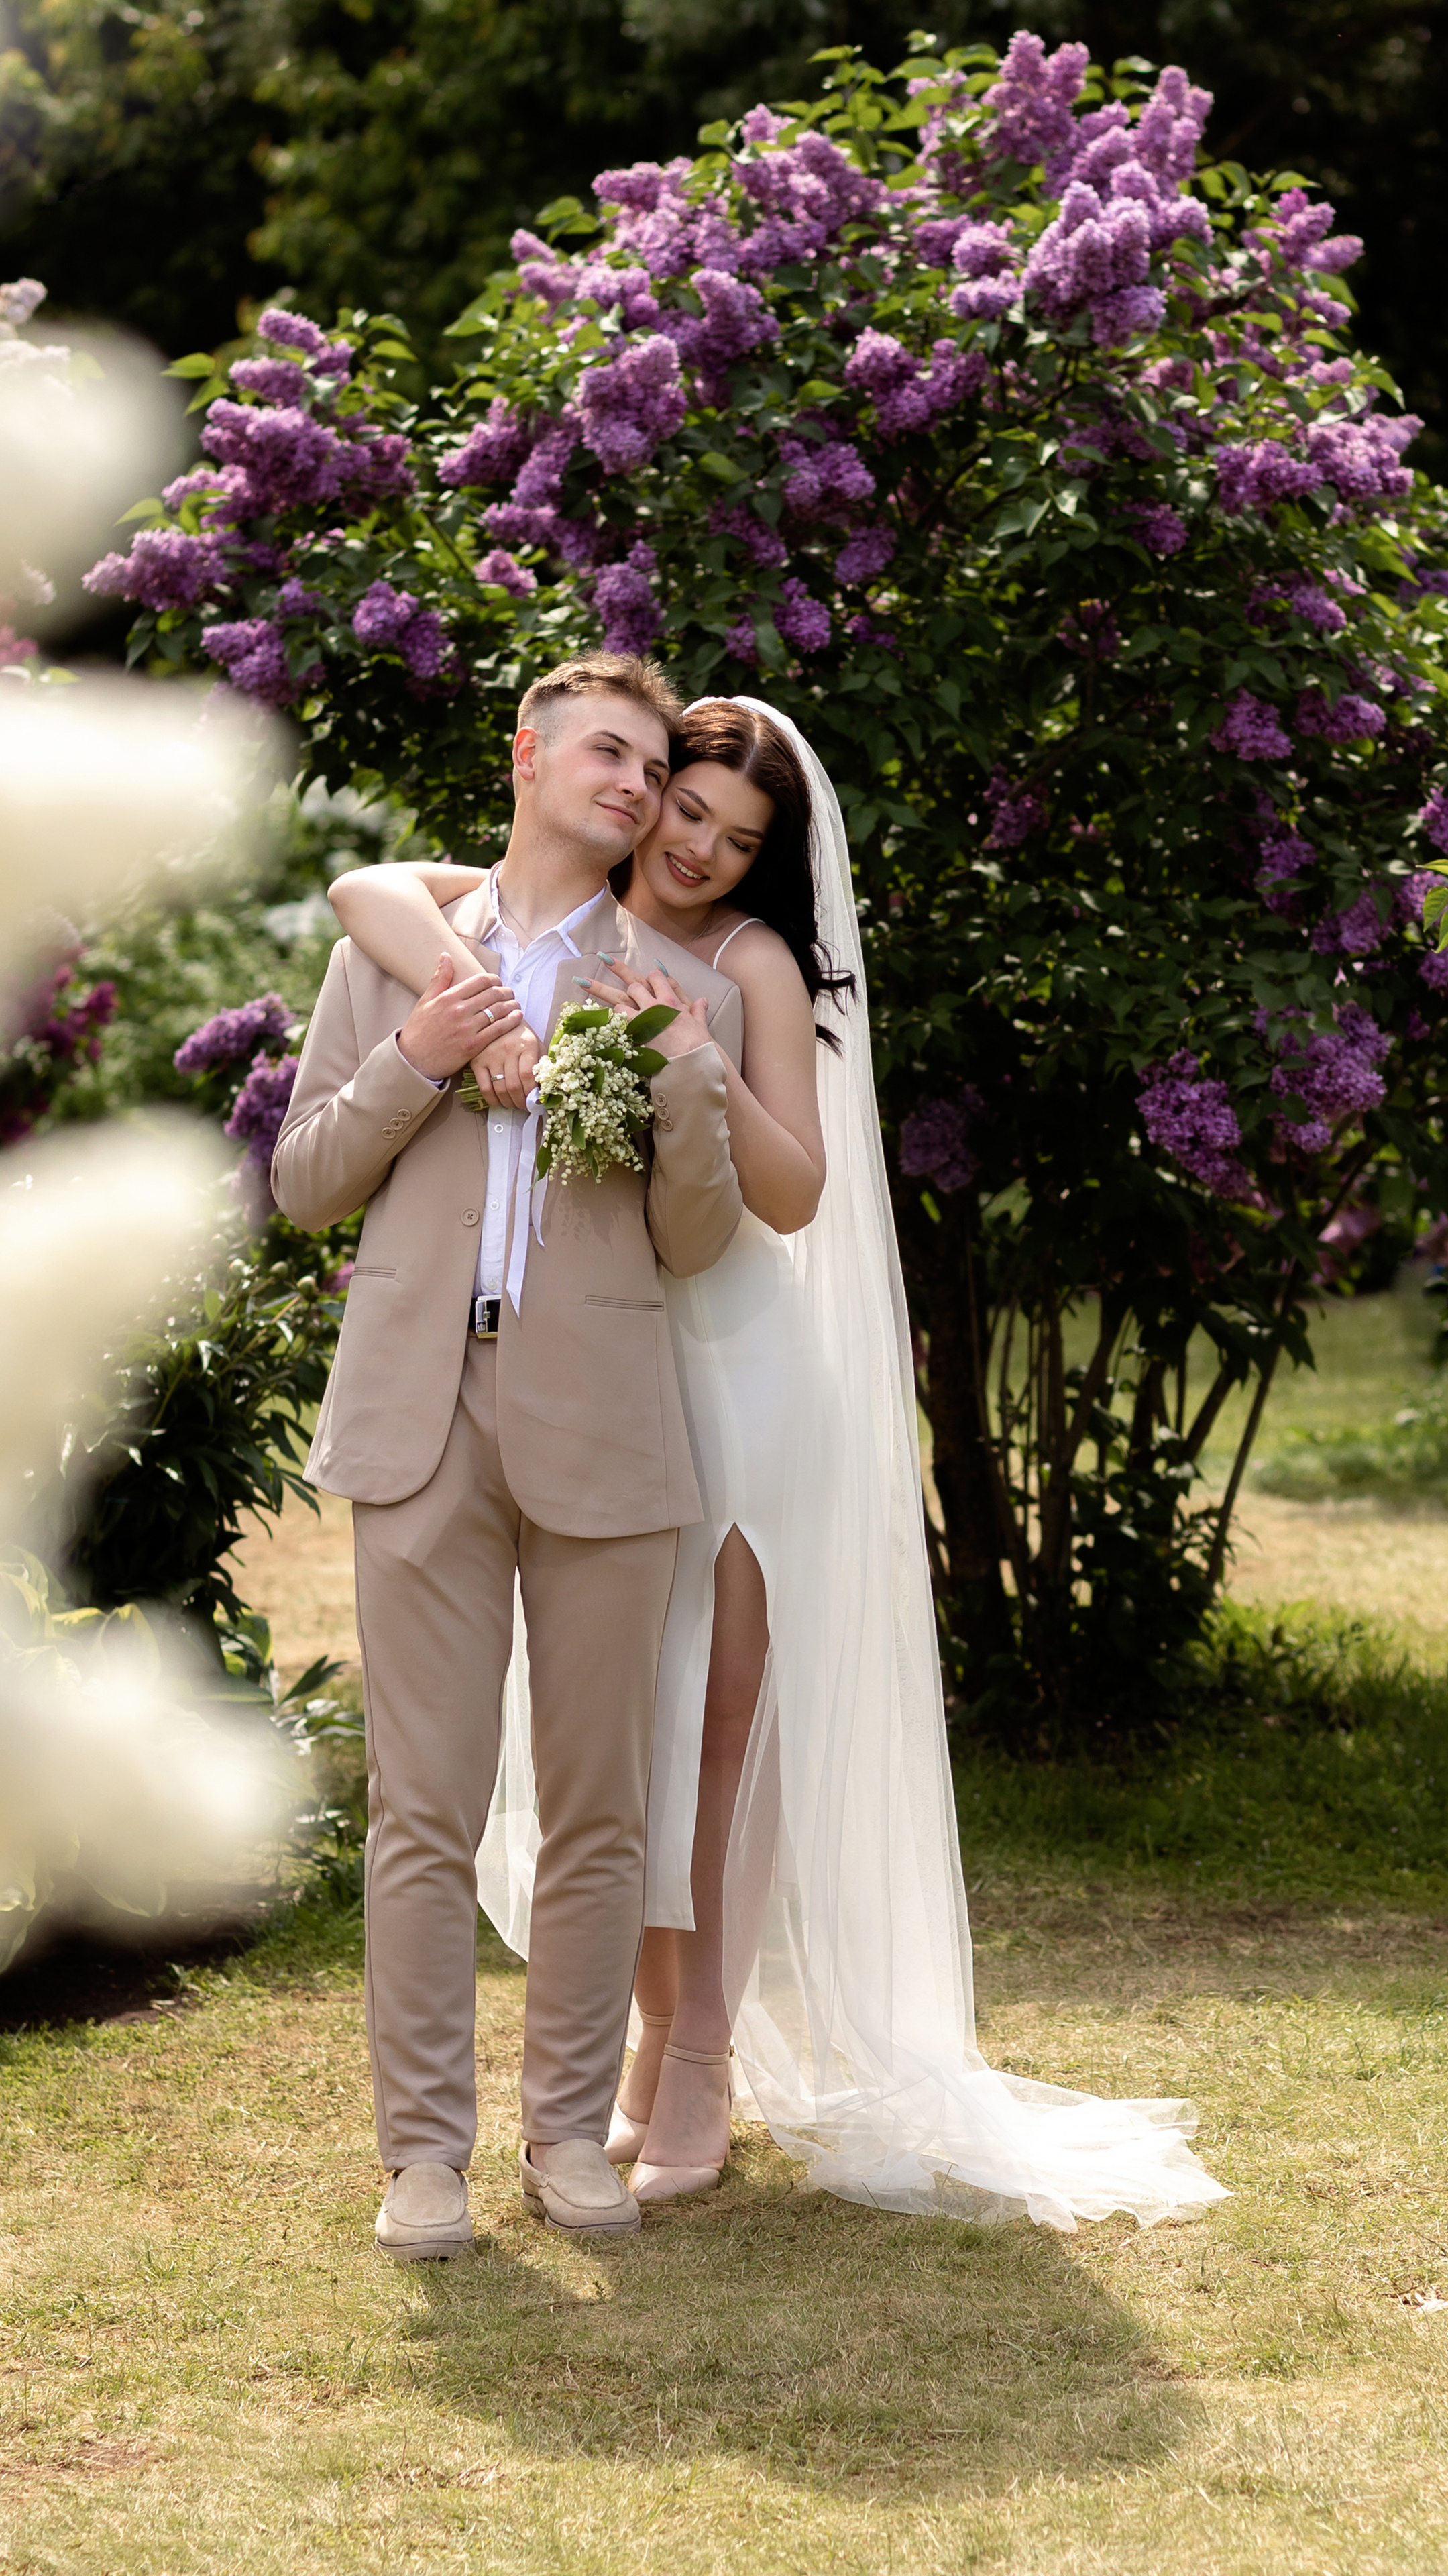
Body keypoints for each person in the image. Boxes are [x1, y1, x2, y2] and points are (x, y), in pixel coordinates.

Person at [331, 693, 1230, 2236]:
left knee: (710, 1735)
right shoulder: (543, 921)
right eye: (684, 810)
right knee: (609, 1736)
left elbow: (794, 1192)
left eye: (738, 841)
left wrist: (694, 1061)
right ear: (637, 789)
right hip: (574, 1356)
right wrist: (454, 991)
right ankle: (596, 2062)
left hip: (728, 1356)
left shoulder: (736, 963)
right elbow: (366, 895)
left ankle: (693, 2060)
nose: (696, 849)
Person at [272, 652, 748, 2261]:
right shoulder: (398, 947)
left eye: (650, 765)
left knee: (602, 1807)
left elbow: (694, 1240)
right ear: (530, 756)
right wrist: (423, 1053)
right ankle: (422, 2160)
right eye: (605, 752)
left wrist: (685, 1078)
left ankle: (566, 2140)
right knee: (421, 1808)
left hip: (605, 1426)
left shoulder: (680, 988)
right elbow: (303, 1184)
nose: (631, 783)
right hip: (420, 1419)